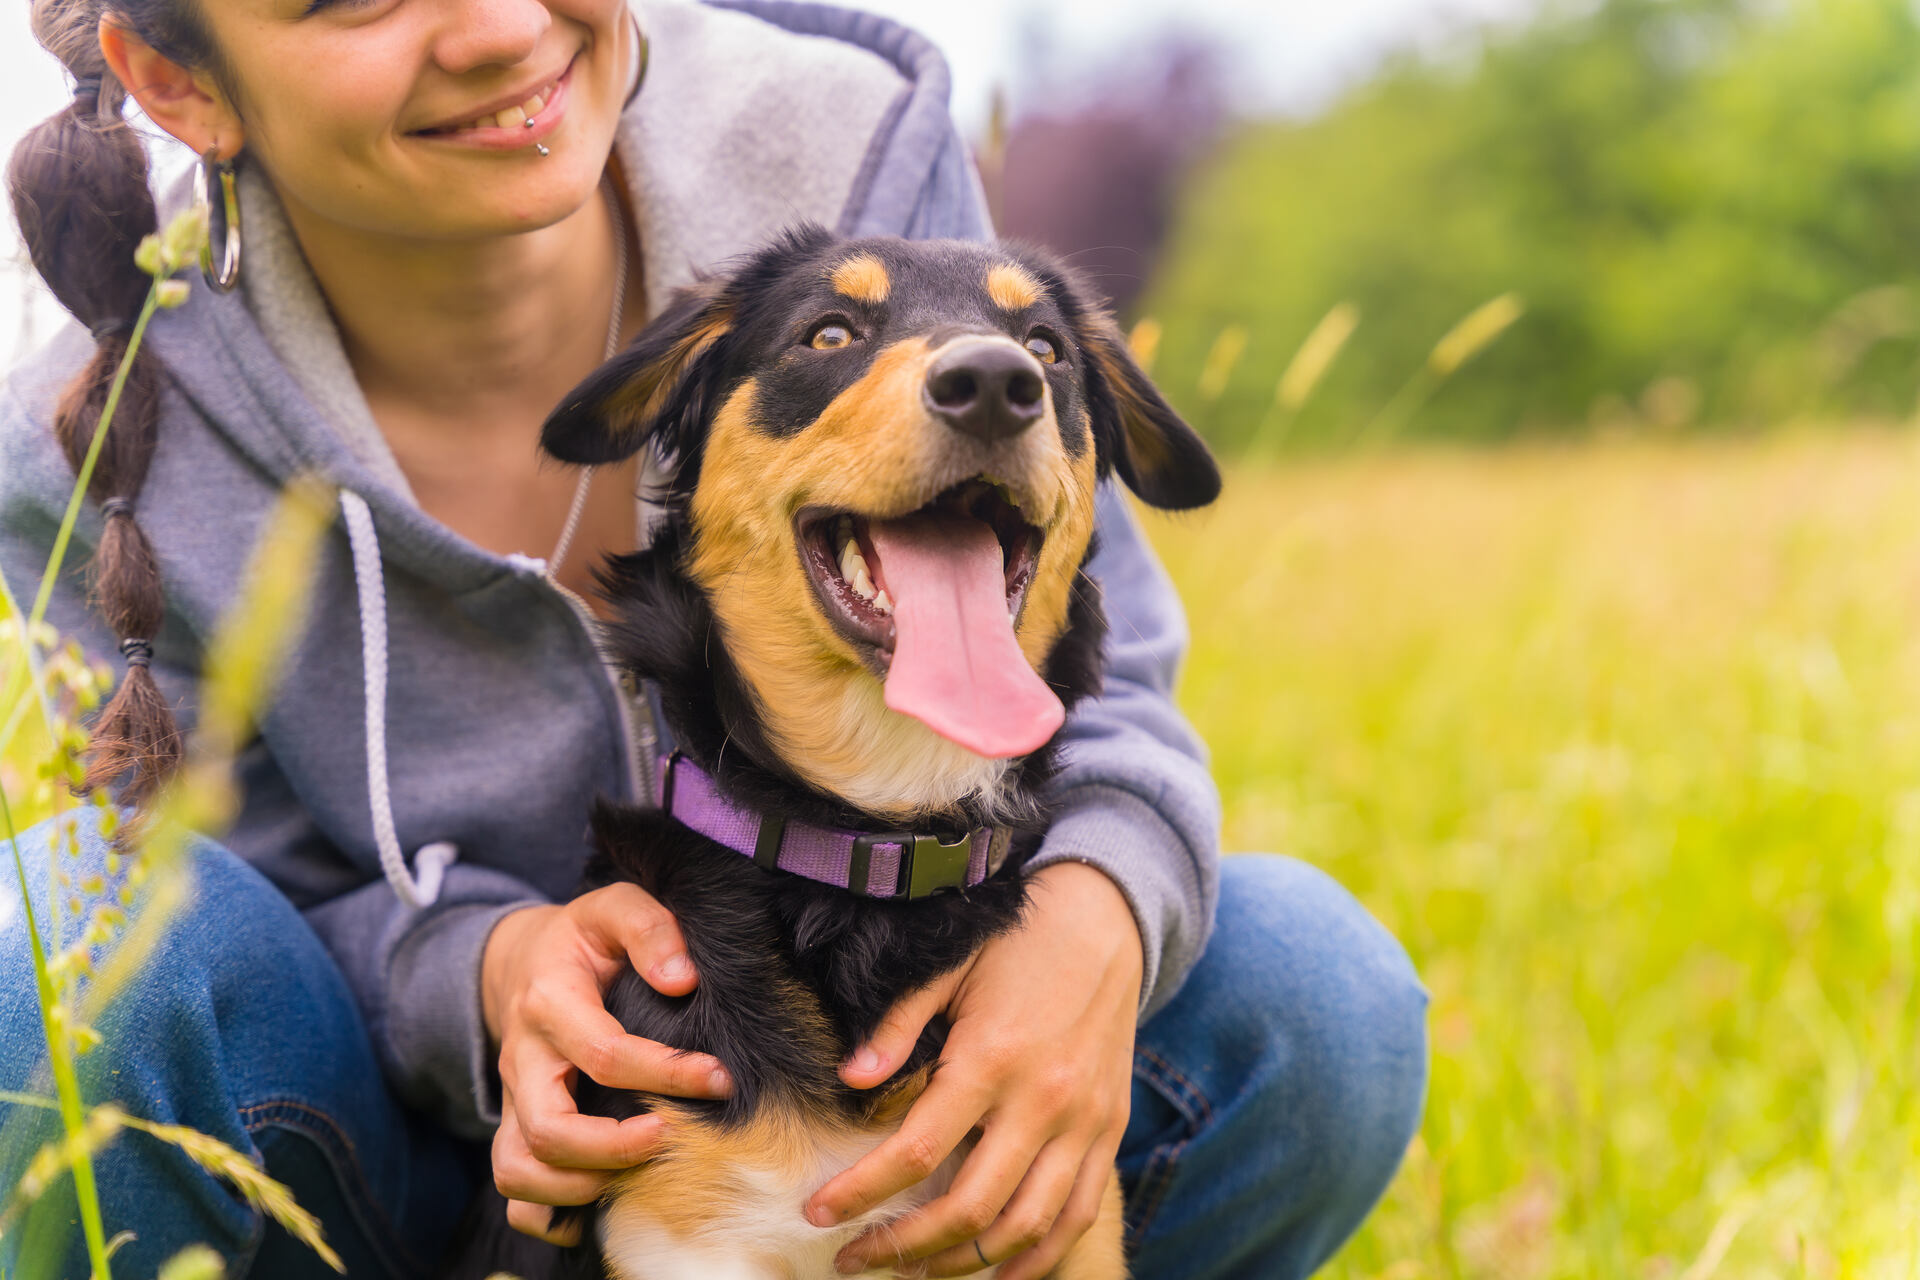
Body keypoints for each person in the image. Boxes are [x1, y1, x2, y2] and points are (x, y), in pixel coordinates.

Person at [0, 0, 1429, 1276]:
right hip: (377, 1144)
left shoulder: (842, 143)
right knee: (56, 941)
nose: (498, 28)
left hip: (941, 978)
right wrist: (478, 972)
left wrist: (1095, 912)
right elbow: (228, 894)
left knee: (1317, 989)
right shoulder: (87, 443)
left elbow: (1083, 664)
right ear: (178, 81)